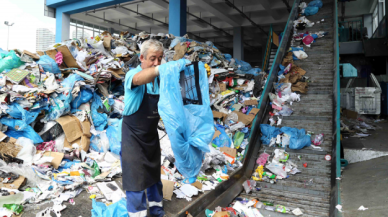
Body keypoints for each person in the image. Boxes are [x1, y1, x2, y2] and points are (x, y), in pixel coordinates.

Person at [121, 39, 165, 217]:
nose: (157, 63)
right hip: (133, 137)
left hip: (151, 136)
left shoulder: (158, 79)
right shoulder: (133, 75)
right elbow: (140, 79)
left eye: (160, 59)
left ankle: (157, 212)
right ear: (142, 58)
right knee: (135, 181)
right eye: (153, 58)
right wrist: (160, 69)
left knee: (154, 177)